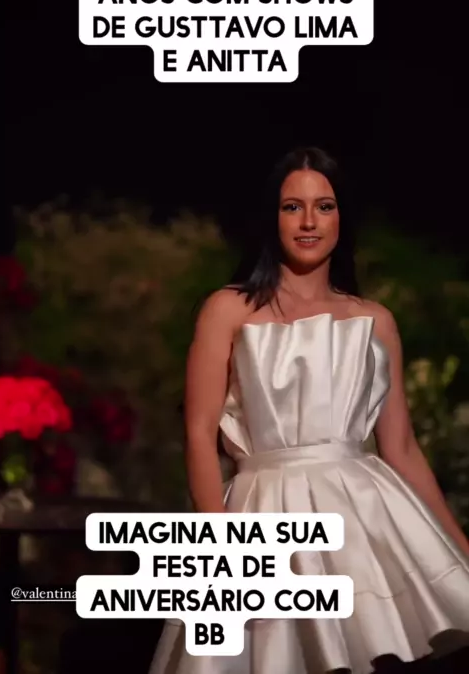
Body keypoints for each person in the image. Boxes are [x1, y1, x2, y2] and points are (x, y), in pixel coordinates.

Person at [149, 147, 469, 674]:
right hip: (264, 514)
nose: (308, 222)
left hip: (364, 518)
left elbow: (402, 448)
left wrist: (460, 549)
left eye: (324, 206)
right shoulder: (228, 309)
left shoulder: (374, 320)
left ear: (343, 217)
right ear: (271, 216)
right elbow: (200, 434)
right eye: (291, 207)